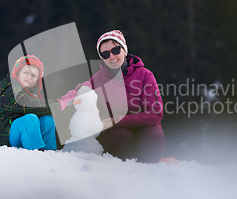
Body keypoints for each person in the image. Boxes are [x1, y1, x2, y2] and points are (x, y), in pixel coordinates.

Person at [59, 30, 166, 163]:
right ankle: (124, 170)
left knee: (153, 138)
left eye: (116, 50)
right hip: (116, 131)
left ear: (125, 50)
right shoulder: (98, 79)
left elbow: (155, 113)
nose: (111, 56)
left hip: (144, 127)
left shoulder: (145, 75)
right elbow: (81, 91)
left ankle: (149, 168)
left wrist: (116, 120)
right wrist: (62, 102)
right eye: (105, 54)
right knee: (118, 139)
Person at [0, 55, 57, 151]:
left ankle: (50, 153)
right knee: (31, 119)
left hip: (26, 132)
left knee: (47, 120)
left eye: (34, 75)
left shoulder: (33, 93)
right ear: (17, 73)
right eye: (26, 72)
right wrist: (59, 104)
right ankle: (36, 153)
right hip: (7, 133)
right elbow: (30, 105)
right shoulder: (12, 90)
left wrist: (66, 104)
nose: (29, 77)